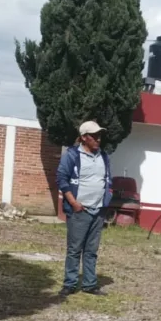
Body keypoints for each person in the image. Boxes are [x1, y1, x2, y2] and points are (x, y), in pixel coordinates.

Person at [56, 121, 113, 297]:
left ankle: (89, 284)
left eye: (99, 135)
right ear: (83, 137)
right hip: (80, 210)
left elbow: (107, 179)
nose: (98, 139)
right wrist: (74, 203)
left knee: (91, 251)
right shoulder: (72, 155)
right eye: (94, 136)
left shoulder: (103, 156)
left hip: (98, 210)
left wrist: (106, 199)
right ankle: (70, 284)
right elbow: (61, 179)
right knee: (74, 249)